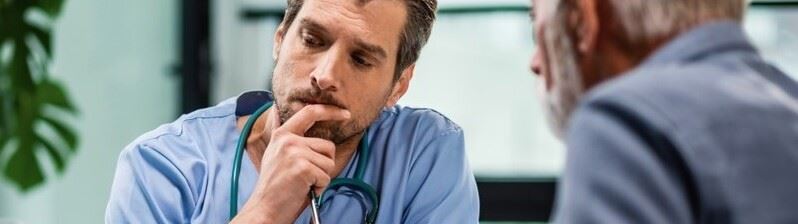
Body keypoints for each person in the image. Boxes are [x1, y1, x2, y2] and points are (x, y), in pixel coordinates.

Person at [105, 0, 480, 223]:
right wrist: (265, 210)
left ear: (398, 85)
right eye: (313, 40)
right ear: (281, 38)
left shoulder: (425, 153)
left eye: (361, 59)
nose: (325, 75)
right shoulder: (161, 167)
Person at [529, 0, 798, 223]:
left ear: (583, 18)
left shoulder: (626, 124)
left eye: (536, 24)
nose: (535, 62)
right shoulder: (787, 100)